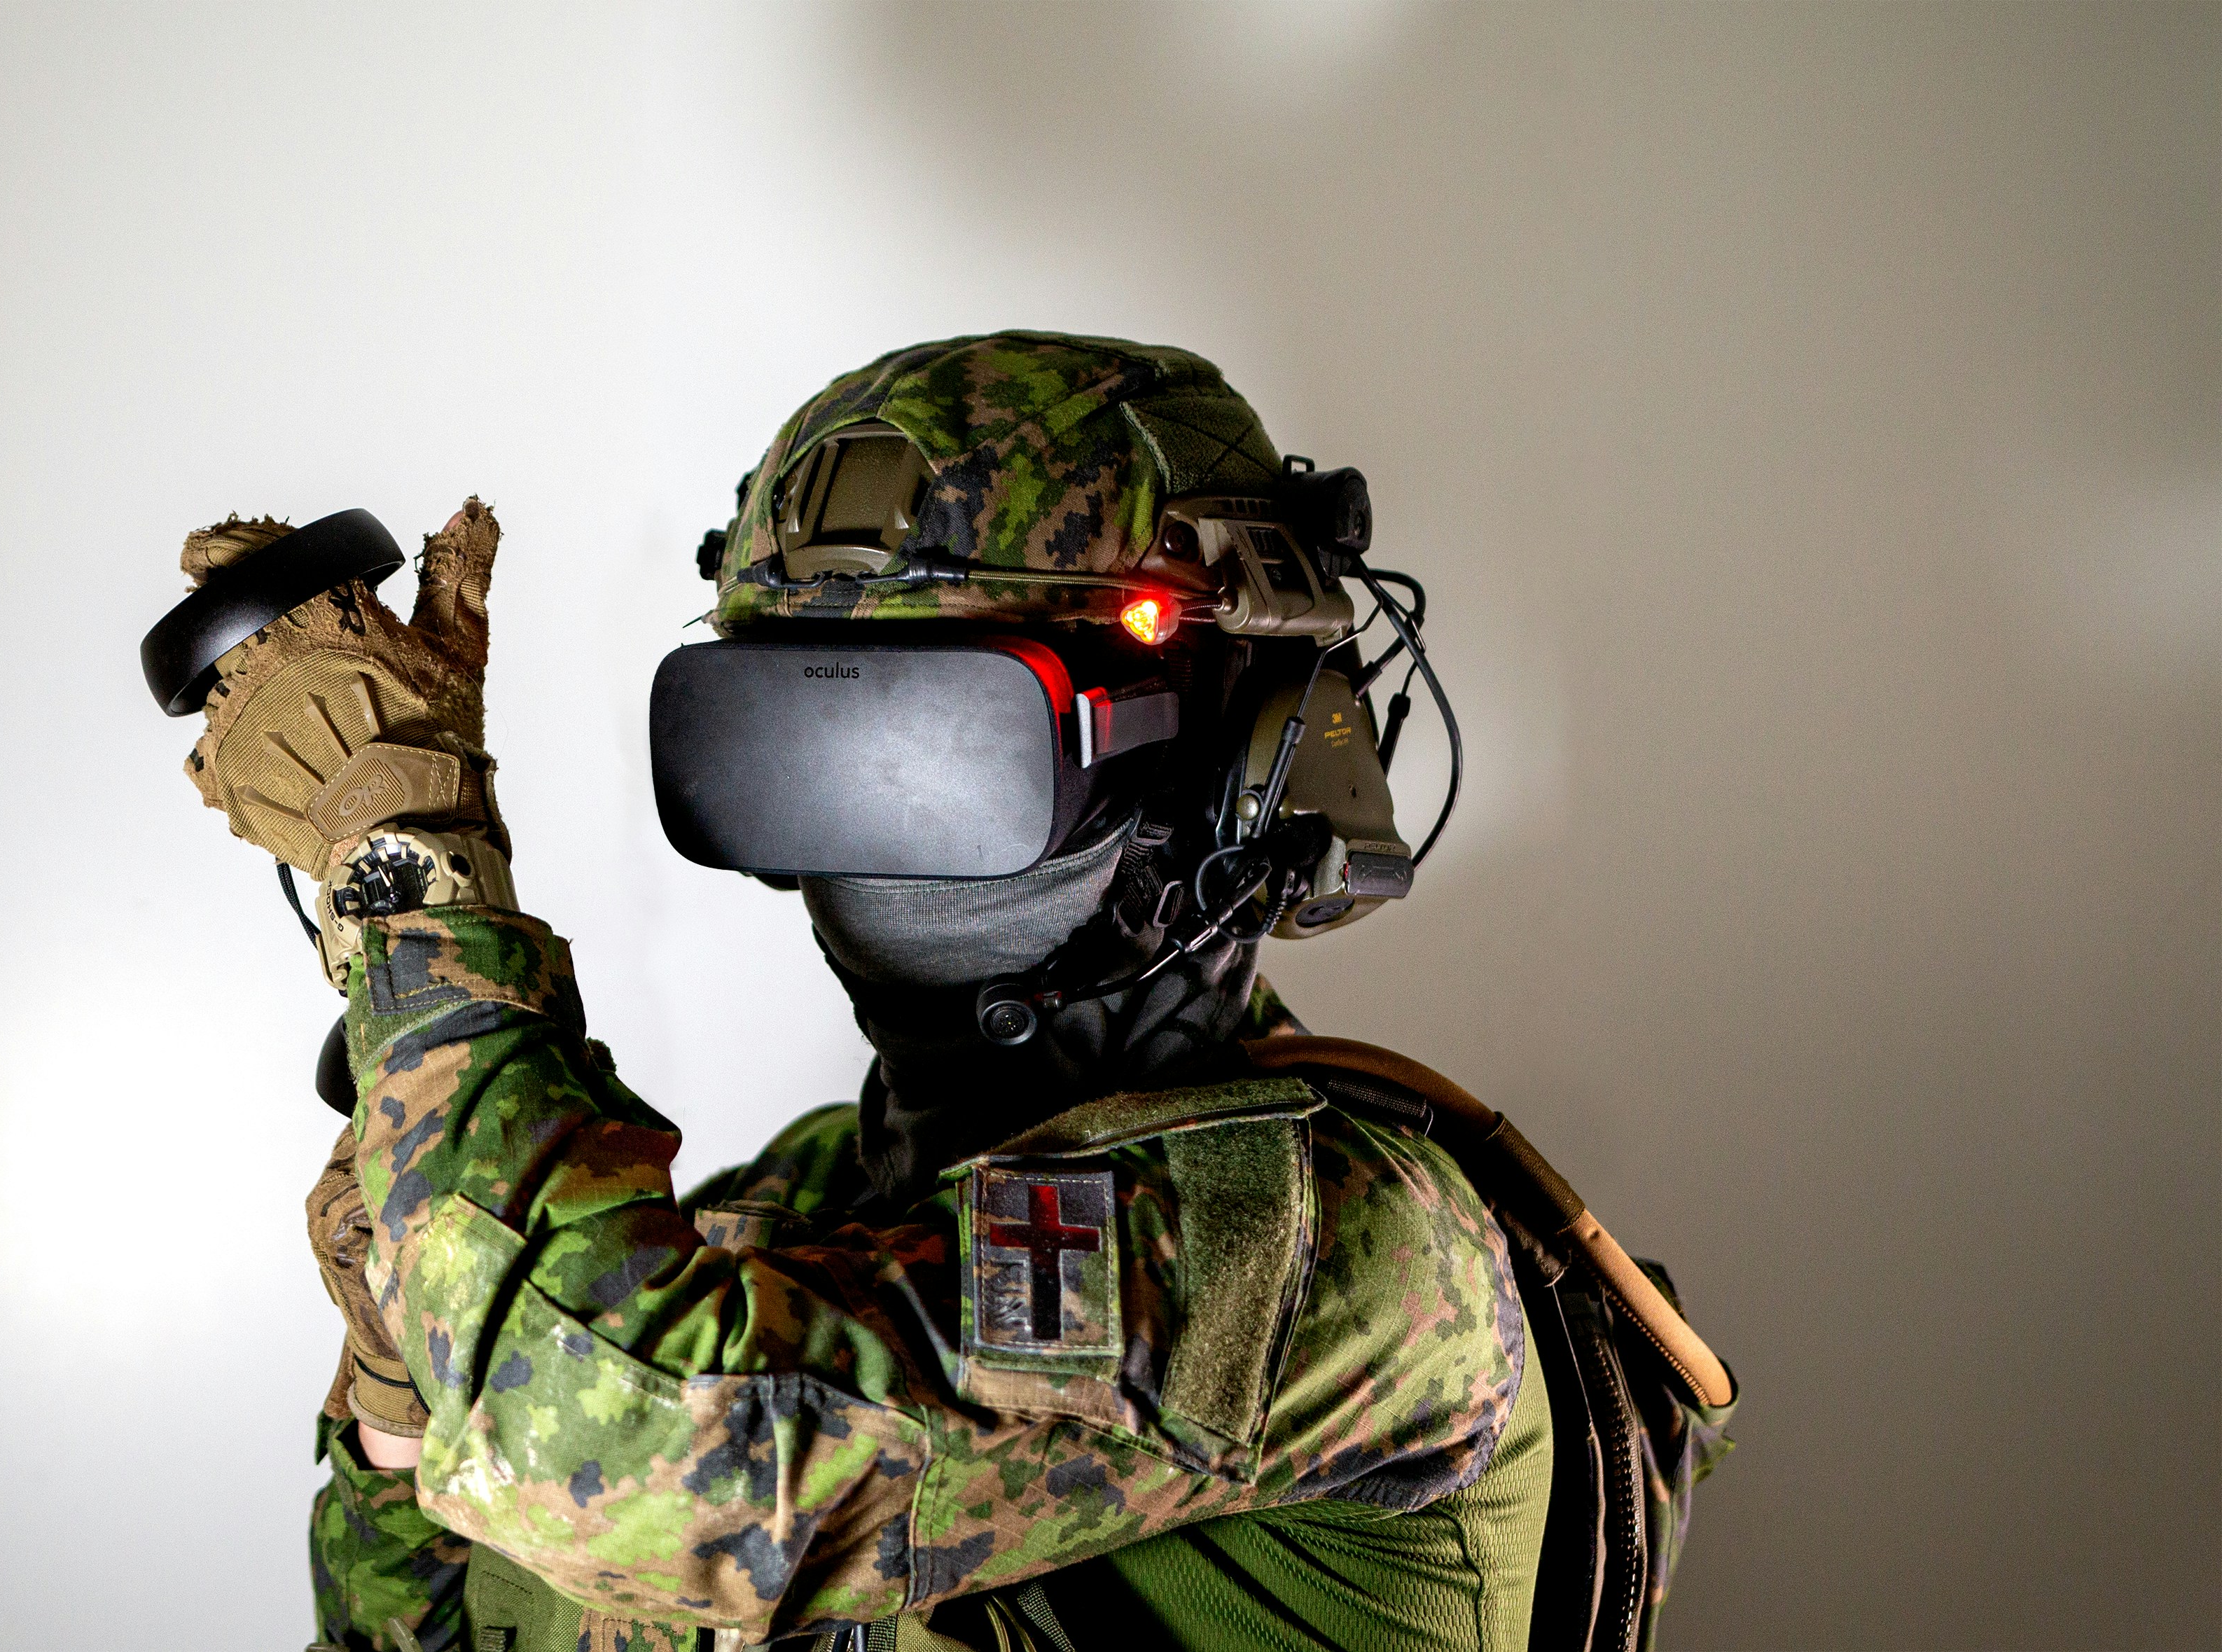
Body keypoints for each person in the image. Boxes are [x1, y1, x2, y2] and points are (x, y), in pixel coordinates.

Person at [148, 333, 1734, 1652]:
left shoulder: (1342, 1251)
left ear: (1240, 761)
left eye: (947, 750)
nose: (862, 839)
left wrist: (407, 875)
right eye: (782, 748)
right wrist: (399, 1407)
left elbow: (642, 1456)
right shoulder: (794, 1215)